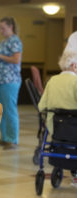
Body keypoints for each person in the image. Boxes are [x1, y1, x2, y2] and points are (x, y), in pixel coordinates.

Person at [38, 50, 77, 187]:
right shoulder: (76, 81)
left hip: (55, 129)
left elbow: (41, 106)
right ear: (74, 66)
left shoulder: (52, 81)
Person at [0, 17, 22, 150]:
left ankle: (13, 139)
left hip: (10, 80)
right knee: (1, 109)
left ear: (10, 26)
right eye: (0, 28)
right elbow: (1, 61)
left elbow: (15, 59)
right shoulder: (2, 42)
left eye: (3, 28)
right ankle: (5, 137)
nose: (1, 31)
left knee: (10, 109)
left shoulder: (15, 40)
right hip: (0, 79)